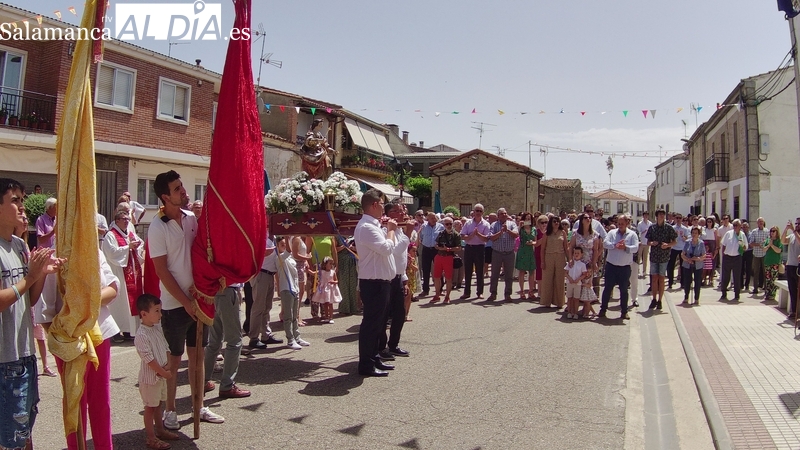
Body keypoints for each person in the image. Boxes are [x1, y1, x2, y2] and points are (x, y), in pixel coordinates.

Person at [147, 170, 223, 429]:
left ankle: (199, 404)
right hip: (173, 304)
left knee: (197, 356)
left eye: (182, 186)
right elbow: (162, 271)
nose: (184, 191)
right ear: (165, 197)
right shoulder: (157, 227)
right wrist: (186, 302)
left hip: (198, 299)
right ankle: (170, 410)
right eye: (177, 189)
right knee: (174, 358)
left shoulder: (191, 218)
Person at [0, 178, 60, 450]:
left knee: (25, 425)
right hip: (4, 357)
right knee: (9, 433)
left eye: (23, 200)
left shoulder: (20, 246)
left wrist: (41, 273)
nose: (22, 207)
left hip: (24, 352)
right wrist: (31, 276)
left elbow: (30, 299)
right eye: (15, 200)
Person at [44, 250, 119, 450]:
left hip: (98, 333)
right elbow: (46, 309)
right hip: (67, 339)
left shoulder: (94, 250)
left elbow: (112, 288)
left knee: (100, 399)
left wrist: (85, 302)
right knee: (74, 401)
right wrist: (59, 344)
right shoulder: (54, 253)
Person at [353, 189, 397, 377]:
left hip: (381, 281)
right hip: (373, 282)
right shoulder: (367, 227)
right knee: (371, 325)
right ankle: (366, 364)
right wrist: (392, 231)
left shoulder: (374, 225)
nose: (383, 207)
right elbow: (386, 248)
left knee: (379, 324)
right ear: (373, 205)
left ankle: (374, 357)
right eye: (381, 203)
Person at [134, 294, 179, 450]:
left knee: (158, 404)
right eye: (157, 311)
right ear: (144, 314)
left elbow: (166, 347)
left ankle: (160, 430)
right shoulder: (141, 335)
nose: (160, 315)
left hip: (160, 376)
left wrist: (168, 364)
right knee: (150, 407)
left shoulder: (156, 329)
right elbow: (148, 359)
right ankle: (151, 437)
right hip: (150, 379)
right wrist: (162, 371)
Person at [204, 282, 251, 399]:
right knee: (234, 341)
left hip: (212, 290)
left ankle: (203, 381)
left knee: (214, 341)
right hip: (227, 289)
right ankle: (227, 385)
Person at [103, 210, 144, 340]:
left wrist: (136, 246)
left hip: (132, 272)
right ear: (117, 221)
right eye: (124, 219)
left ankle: (129, 331)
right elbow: (112, 253)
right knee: (120, 303)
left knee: (130, 303)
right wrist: (128, 247)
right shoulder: (111, 235)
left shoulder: (129, 234)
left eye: (127, 219)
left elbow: (140, 243)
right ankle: (116, 332)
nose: (127, 221)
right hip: (118, 273)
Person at [378, 201, 411, 359]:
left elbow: (402, 259)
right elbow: (395, 252)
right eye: (397, 211)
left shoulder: (399, 231)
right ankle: (381, 347)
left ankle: (394, 344)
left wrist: (404, 278)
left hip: (398, 277)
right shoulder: (386, 230)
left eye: (402, 210)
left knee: (400, 313)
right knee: (384, 315)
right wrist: (409, 234)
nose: (403, 213)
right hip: (386, 278)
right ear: (389, 214)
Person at [599, 215, 639, 320]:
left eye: (622, 224)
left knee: (624, 290)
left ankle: (624, 312)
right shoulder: (612, 233)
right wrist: (615, 245)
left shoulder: (632, 234)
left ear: (627, 224)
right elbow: (605, 243)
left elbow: (635, 248)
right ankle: (603, 310)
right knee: (607, 288)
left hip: (624, 267)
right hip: (611, 266)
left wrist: (626, 247)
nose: (620, 225)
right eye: (619, 223)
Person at [248, 232, 283, 349]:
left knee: (267, 307)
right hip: (261, 274)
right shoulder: (261, 236)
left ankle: (266, 335)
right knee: (258, 307)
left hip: (270, 275)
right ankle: (253, 338)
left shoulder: (274, 238)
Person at [275, 237, 310, 350]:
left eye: (285, 244)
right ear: (277, 246)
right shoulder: (279, 257)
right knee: (288, 316)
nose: (284, 246)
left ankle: (297, 337)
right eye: (282, 244)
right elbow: (289, 251)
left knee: (295, 315)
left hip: (294, 288)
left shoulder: (289, 257)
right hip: (286, 288)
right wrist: (286, 235)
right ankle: (290, 340)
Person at [645, 209, 677, 311]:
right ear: (656, 216)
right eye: (660, 214)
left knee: (661, 279)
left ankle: (660, 300)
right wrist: (652, 243)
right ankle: (654, 299)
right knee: (654, 278)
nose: (662, 216)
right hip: (654, 256)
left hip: (664, 256)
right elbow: (647, 242)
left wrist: (667, 245)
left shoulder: (669, 228)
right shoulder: (652, 228)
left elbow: (674, 242)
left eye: (663, 214)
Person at [487, 208, 518, 302]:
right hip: (497, 253)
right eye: (501, 214)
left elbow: (516, 235)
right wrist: (500, 232)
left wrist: (507, 230)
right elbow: (491, 237)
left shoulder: (512, 224)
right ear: (498, 216)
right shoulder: (494, 225)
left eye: (505, 213)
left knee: (509, 275)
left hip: (509, 253)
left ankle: (508, 294)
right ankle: (493, 293)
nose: (504, 215)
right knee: (494, 274)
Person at [539, 215, 569, 309]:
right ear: (551, 223)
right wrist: (542, 261)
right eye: (554, 221)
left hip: (560, 257)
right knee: (548, 279)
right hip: (549, 256)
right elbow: (542, 249)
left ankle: (559, 302)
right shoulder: (547, 234)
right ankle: (546, 301)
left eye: (557, 221)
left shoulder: (563, 232)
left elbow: (566, 247)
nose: (556, 223)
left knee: (559, 279)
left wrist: (569, 259)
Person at [431, 217, 461, 303]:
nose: (448, 226)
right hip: (439, 256)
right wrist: (438, 247)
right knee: (436, 277)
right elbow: (436, 244)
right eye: (447, 224)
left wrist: (447, 249)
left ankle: (447, 296)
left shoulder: (456, 235)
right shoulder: (441, 233)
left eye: (450, 224)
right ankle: (437, 295)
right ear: (444, 225)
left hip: (449, 257)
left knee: (448, 278)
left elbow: (458, 248)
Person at [719, 219, 747, 302]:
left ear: (740, 226)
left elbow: (745, 247)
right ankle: (724, 293)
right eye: (734, 225)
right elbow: (723, 244)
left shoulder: (742, 235)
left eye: (736, 225)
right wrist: (724, 255)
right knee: (725, 276)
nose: (735, 227)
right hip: (727, 257)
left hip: (737, 258)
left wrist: (741, 243)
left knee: (736, 277)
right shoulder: (728, 234)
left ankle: (737, 295)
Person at [310, 256, 342, 323]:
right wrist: (308, 270)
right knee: (325, 303)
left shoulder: (333, 272)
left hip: (330, 290)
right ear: (325, 264)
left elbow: (337, 281)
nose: (331, 265)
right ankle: (326, 316)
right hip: (324, 289)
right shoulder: (321, 272)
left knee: (330, 304)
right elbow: (313, 274)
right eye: (330, 263)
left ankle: (331, 317)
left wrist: (334, 282)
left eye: (332, 264)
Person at [418, 212, 443, 296]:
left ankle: (440, 289)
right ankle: (425, 290)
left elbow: (443, 237)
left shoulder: (441, 227)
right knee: (426, 269)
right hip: (426, 249)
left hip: (437, 250)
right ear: (427, 219)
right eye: (431, 218)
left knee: (439, 269)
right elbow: (420, 237)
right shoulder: (424, 227)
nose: (434, 219)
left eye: (435, 218)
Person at [681, 227, 706, 305]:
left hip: (698, 265)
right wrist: (687, 259)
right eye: (693, 233)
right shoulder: (687, 242)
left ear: (699, 234)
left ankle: (696, 299)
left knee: (698, 282)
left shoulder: (701, 243)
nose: (694, 235)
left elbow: (704, 255)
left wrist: (698, 258)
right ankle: (686, 297)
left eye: (696, 233)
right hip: (688, 264)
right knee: (687, 281)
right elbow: (682, 254)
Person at [515, 212, 537, 300]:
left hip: (530, 251)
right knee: (522, 271)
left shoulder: (534, 229)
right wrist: (520, 225)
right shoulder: (521, 229)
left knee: (532, 271)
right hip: (522, 250)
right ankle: (522, 291)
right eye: (526, 218)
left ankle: (531, 291)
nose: (528, 220)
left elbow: (536, 241)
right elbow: (516, 235)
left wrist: (532, 243)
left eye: (529, 218)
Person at [291, 235, 312, 324]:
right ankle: (296, 317)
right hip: (297, 265)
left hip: (301, 265)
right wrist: (307, 258)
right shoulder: (296, 239)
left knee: (301, 292)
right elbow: (295, 254)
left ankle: (297, 315)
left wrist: (306, 260)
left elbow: (301, 253)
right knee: (299, 292)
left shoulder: (299, 238)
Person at [336, 238, 359, 315]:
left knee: (353, 284)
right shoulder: (336, 235)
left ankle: (353, 308)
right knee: (344, 285)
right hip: (342, 262)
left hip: (352, 261)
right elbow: (334, 249)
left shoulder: (352, 235)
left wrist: (353, 248)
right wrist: (344, 247)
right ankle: (344, 308)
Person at [782, 218, 800, 313]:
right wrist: (786, 229)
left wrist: (793, 229)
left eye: (799, 224)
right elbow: (783, 241)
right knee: (792, 290)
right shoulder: (792, 235)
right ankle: (794, 311)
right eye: (796, 223)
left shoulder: (797, 235)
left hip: (798, 267)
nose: (797, 225)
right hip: (790, 266)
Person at [667, 213, 689, 290]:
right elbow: (669, 237)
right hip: (674, 248)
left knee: (682, 266)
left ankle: (682, 283)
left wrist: (684, 238)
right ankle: (670, 282)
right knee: (671, 265)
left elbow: (688, 238)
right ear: (675, 219)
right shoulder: (672, 228)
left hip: (682, 248)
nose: (679, 219)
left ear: (682, 219)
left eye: (680, 218)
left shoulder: (685, 229)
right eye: (677, 218)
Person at [565, 247, 587, 319]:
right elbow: (565, 273)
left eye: (578, 253)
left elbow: (584, 274)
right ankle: (569, 312)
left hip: (577, 284)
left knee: (576, 298)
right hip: (569, 283)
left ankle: (575, 313)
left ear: (581, 254)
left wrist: (578, 279)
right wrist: (570, 279)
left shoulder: (582, 265)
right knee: (569, 298)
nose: (576, 255)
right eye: (575, 253)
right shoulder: (570, 263)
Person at [748, 217, 769, 295]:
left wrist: (764, 244)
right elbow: (751, 243)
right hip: (756, 254)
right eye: (759, 222)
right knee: (756, 272)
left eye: (762, 222)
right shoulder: (754, 231)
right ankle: (755, 288)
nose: (761, 223)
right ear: (757, 223)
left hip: (765, 254)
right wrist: (759, 244)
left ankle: (766, 288)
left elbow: (769, 242)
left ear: (763, 222)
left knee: (765, 272)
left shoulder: (767, 231)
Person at [764, 226, 783, 302]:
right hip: (767, 262)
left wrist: (772, 245)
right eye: (771, 231)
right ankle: (767, 293)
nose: (772, 232)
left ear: (777, 232)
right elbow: (764, 249)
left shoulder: (779, 241)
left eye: (774, 231)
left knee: (773, 279)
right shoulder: (768, 240)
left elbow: (779, 250)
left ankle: (773, 294)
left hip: (775, 262)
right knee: (768, 279)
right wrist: (769, 245)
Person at [702, 217, 718, 286]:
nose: (709, 223)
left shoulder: (714, 230)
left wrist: (717, 248)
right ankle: (704, 279)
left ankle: (711, 279)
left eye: (710, 222)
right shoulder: (704, 229)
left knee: (712, 263)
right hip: (705, 244)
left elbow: (717, 239)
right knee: (704, 263)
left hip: (712, 244)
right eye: (708, 221)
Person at [637, 212, 652, 277]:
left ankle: (644, 271)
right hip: (641, 243)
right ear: (643, 216)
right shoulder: (640, 224)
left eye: (647, 215)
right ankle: (637, 271)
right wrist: (644, 231)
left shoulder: (650, 223)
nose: (646, 216)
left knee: (645, 258)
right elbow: (638, 233)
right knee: (639, 257)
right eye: (645, 215)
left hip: (647, 243)